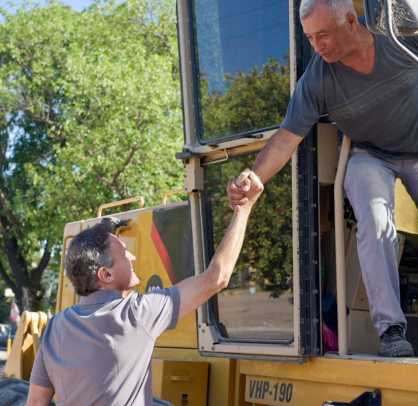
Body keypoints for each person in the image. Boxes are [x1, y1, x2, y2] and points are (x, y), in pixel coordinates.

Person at [228, 0, 418, 358]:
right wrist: (256, 177)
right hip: (370, 156)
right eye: (310, 38)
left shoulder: (398, 36)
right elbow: (285, 139)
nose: (316, 46)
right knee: (375, 220)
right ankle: (391, 331)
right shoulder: (317, 79)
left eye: (322, 35)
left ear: (350, 21)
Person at [26, 169, 263, 406]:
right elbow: (217, 277)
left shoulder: (55, 326)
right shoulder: (136, 315)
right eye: (123, 253)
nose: (132, 257)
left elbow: (36, 403)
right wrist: (244, 209)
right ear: (105, 274)